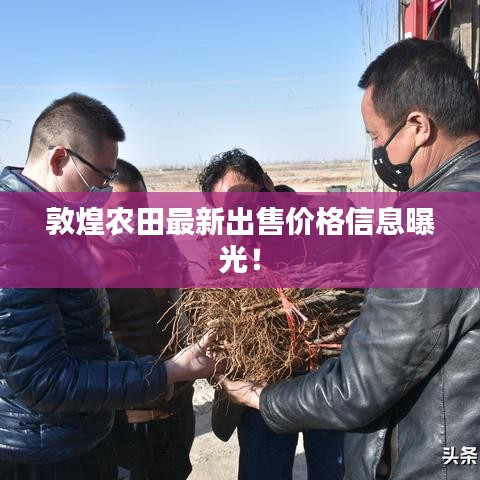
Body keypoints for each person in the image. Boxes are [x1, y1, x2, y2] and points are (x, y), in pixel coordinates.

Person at [216, 39, 480, 480]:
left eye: (376, 136)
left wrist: (260, 397)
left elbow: (359, 386)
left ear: (418, 126)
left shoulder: (435, 227)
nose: (378, 151)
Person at [0, 93, 215, 479]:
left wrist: (152, 370)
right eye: (98, 181)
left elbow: (90, 341)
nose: (100, 196)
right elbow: (43, 380)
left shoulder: (56, 226)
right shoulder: (15, 237)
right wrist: (165, 373)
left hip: (77, 437)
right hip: (43, 454)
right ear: (59, 159)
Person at [197, 148, 345, 480]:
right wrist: (223, 373)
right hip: (263, 386)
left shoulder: (329, 218)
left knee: (335, 471)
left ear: (266, 181)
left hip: (329, 383)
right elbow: (214, 317)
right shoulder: (225, 244)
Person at [89, 159, 196, 480]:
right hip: (124, 422)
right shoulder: (81, 256)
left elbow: (190, 300)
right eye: (123, 210)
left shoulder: (161, 240)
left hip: (177, 409)